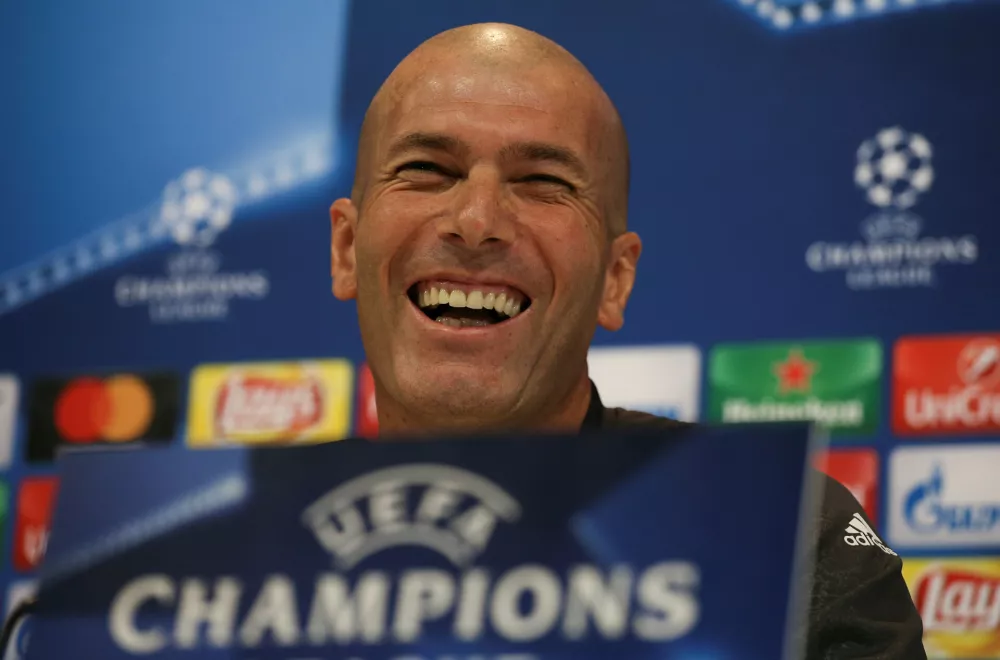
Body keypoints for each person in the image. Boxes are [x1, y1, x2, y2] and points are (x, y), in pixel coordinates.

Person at [329, 22, 926, 659]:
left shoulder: (776, 534)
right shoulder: (231, 563)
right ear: (345, 248)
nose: (476, 222)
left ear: (616, 279)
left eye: (543, 182)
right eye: (427, 169)